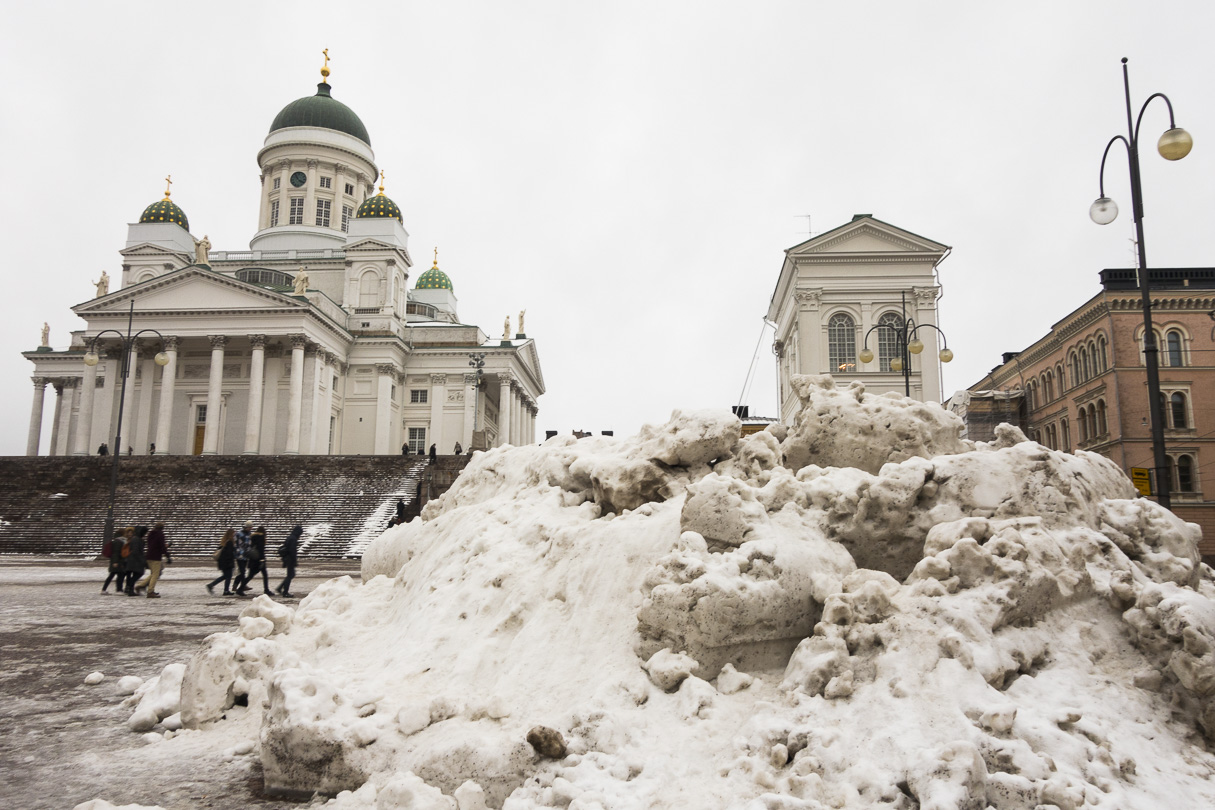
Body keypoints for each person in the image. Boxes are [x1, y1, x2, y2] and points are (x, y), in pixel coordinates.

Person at [136, 522, 171, 598]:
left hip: (149, 556)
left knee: (153, 574)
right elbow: (161, 547)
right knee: (155, 574)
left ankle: (140, 586)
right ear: (162, 528)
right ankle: (150, 591)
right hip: (156, 557)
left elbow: (154, 545)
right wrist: (167, 556)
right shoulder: (160, 534)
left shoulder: (150, 534)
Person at [239, 525, 272, 596]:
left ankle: (240, 589)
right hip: (259, 560)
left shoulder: (253, 537)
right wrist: (262, 559)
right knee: (265, 575)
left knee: (250, 575)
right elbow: (261, 549)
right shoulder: (261, 537)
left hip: (253, 559)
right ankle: (266, 590)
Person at [206, 529, 236, 595]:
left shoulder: (224, 542)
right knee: (228, 576)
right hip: (227, 563)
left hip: (222, 562)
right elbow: (229, 554)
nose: (234, 535)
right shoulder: (230, 542)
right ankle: (225, 591)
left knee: (225, 576)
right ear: (231, 534)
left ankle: (212, 585)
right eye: (233, 534)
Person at [275, 525, 302, 598]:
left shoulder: (290, 537)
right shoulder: (293, 539)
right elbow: (292, 551)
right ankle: (285, 592)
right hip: (290, 559)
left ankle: (280, 588)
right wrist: (294, 560)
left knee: (291, 575)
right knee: (290, 575)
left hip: (287, 559)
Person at [101, 529, 128, 594]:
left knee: (113, 576)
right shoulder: (119, 541)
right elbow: (116, 552)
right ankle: (119, 590)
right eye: (125, 533)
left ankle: (104, 589)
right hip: (117, 561)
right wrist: (115, 562)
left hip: (118, 561)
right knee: (119, 576)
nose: (126, 534)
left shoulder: (120, 541)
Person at [124, 526, 147, 596]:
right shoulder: (136, 539)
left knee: (135, 574)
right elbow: (136, 551)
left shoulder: (136, 539)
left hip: (133, 560)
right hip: (134, 560)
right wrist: (142, 560)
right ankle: (129, 588)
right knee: (138, 573)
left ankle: (130, 589)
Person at [234, 522, 253, 592]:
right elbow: (237, 544)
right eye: (250, 527)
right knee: (242, 571)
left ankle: (235, 585)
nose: (251, 528)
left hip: (246, 555)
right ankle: (243, 586)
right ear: (246, 527)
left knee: (243, 571)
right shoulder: (239, 534)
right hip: (240, 555)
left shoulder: (249, 534)